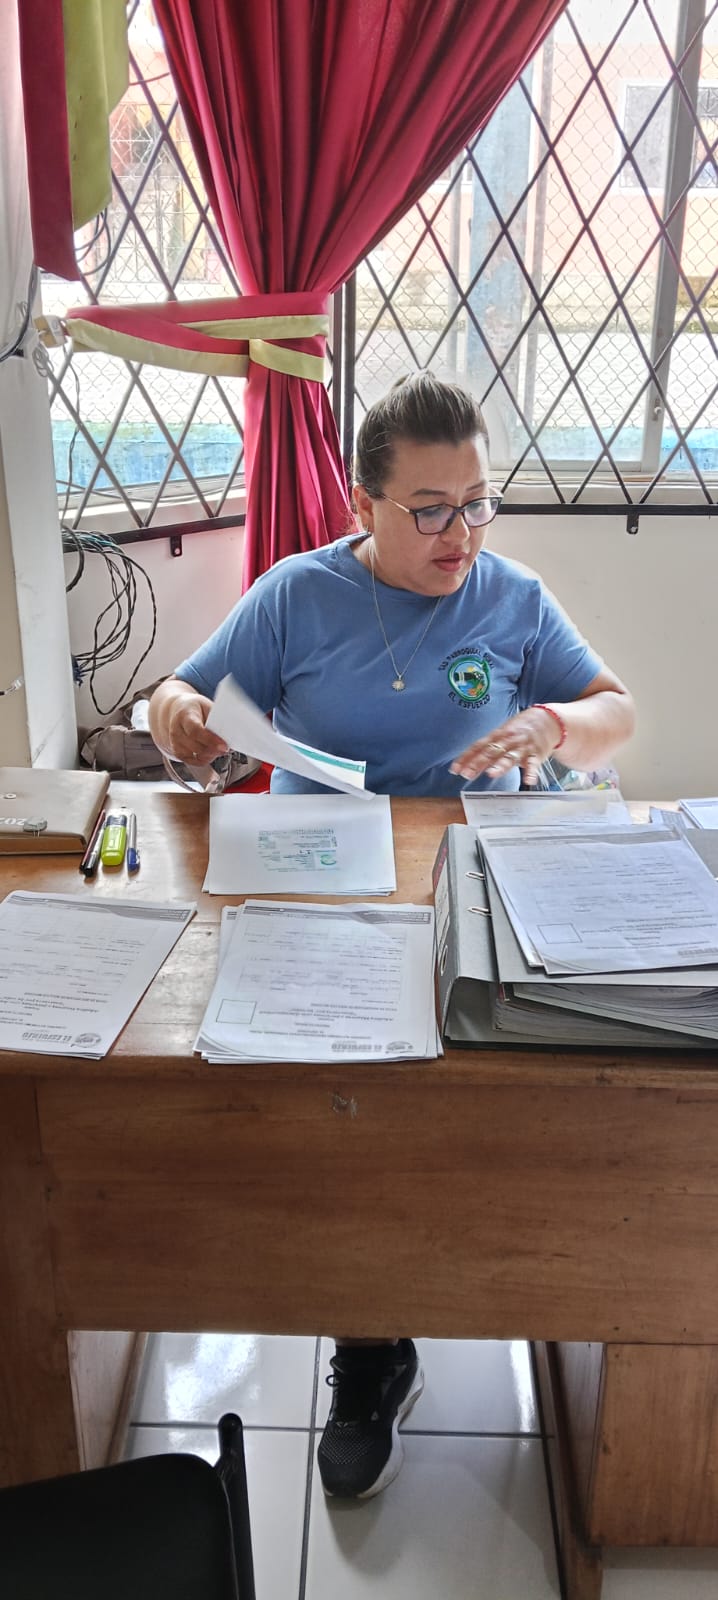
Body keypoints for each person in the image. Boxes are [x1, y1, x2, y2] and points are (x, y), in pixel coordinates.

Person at [149, 373, 635, 1502]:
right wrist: (183, 722)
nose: (460, 534)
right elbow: (177, 695)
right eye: (429, 509)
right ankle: (370, 1349)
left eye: (477, 502)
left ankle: (532, 1281)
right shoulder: (296, 595)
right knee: (340, 1109)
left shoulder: (511, 596)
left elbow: (615, 710)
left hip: (474, 886)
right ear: (362, 503)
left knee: (518, 1103)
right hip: (321, 893)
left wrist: (552, 723)